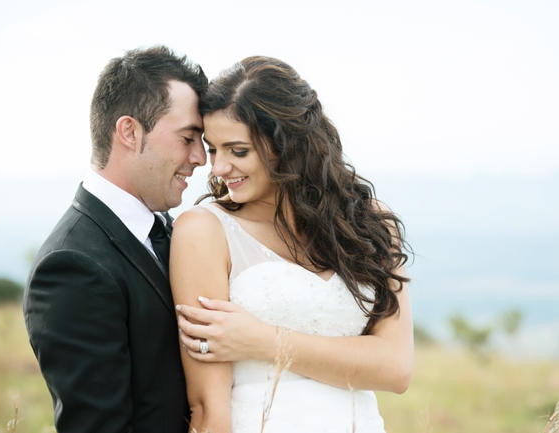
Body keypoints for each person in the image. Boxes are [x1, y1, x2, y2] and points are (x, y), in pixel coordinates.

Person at [170, 56, 413, 433]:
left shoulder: (370, 224)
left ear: (288, 145)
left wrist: (262, 340)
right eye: (213, 149)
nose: (217, 168)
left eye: (238, 151)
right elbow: (207, 408)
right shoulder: (204, 231)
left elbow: (395, 369)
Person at [23, 46, 207, 433]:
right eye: (188, 138)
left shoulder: (177, 232)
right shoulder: (71, 266)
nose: (201, 157)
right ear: (129, 131)